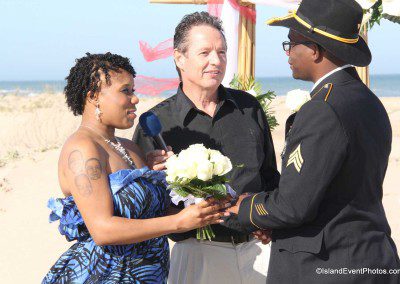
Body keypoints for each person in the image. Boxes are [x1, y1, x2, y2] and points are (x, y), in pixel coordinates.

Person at [228, 0, 400, 283]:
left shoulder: (324, 108)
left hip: (329, 265)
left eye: (291, 43)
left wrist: (243, 208)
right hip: (370, 256)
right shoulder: (368, 100)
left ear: (315, 50)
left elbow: (293, 206)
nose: (288, 54)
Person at [42, 52, 229, 283]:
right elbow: (102, 230)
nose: (135, 99)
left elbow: (153, 217)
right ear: (93, 97)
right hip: (105, 275)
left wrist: (201, 207)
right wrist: (179, 222)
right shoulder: (82, 149)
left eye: (133, 90)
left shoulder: (130, 148)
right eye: (125, 91)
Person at [133, 12, 280, 284]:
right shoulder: (156, 125)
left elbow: (271, 177)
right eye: (205, 53)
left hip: (258, 250)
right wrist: (152, 173)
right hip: (196, 256)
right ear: (179, 58)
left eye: (222, 52)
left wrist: (269, 220)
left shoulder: (249, 108)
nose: (216, 61)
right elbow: (143, 208)